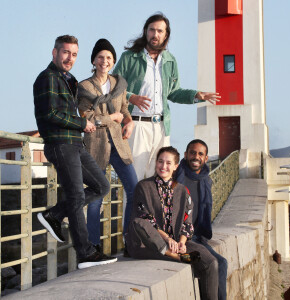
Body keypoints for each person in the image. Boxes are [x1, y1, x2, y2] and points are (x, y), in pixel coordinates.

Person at [34, 35, 117, 269]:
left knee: (102, 186)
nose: (69, 58)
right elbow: (51, 114)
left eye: (74, 54)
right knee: (77, 196)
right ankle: (85, 254)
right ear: (54, 52)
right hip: (60, 144)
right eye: (65, 52)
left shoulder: (70, 80)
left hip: (75, 144)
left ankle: (54, 214)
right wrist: (82, 124)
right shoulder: (47, 78)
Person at [113, 13, 220, 181]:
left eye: (160, 31)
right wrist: (131, 97)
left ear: (166, 35)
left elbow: (173, 92)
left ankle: (156, 209)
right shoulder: (129, 57)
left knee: (160, 179)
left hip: (163, 127)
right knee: (135, 179)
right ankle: (133, 209)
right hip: (136, 125)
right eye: (152, 30)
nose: (155, 35)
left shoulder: (170, 61)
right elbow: (113, 87)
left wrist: (196, 95)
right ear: (145, 32)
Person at [126, 146, 219, 300]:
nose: (163, 166)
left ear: (176, 166)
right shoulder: (143, 186)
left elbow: (187, 223)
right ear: (156, 163)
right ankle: (176, 257)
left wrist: (182, 243)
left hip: (176, 243)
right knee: (139, 222)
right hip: (149, 243)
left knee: (211, 262)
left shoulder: (182, 191)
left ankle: (179, 253)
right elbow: (146, 219)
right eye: (160, 161)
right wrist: (168, 240)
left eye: (168, 163)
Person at [77, 39, 138, 248]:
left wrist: (129, 122)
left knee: (134, 189)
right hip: (96, 147)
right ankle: (93, 247)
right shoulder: (83, 87)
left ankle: (129, 239)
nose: (105, 61)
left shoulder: (119, 83)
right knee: (96, 198)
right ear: (94, 60)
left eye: (109, 57)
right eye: (101, 57)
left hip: (119, 145)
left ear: (113, 61)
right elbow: (88, 118)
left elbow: (125, 109)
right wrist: (112, 117)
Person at [176, 139, 228, 300]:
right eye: (192, 152)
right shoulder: (176, 177)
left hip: (198, 237)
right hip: (180, 240)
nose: (195, 156)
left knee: (222, 263)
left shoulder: (206, 180)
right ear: (185, 155)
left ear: (206, 158)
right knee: (214, 263)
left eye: (200, 154)